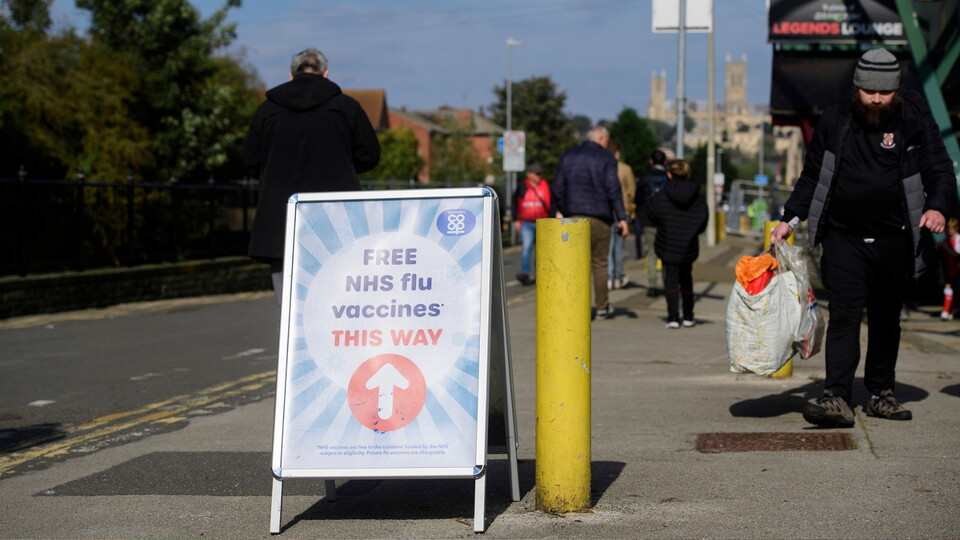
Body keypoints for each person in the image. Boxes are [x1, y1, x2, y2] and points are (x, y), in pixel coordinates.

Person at [770, 48, 958, 428]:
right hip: (843, 237)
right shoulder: (836, 118)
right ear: (857, 87)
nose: (875, 99)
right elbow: (812, 176)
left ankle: (880, 393)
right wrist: (789, 217)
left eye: (884, 93)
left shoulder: (914, 116)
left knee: (887, 319)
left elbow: (939, 168)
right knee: (844, 316)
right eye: (869, 91)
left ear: (896, 90)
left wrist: (938, 207)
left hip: (896, 238)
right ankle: (836, 396)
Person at [243, 48, 381, 304]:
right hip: (338, 217)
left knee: (287, 302)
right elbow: (369, 156)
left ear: (291, 75)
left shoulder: (267, 111)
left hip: (281, 216)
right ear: (326, 74)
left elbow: (251, 162)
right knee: (338, 296)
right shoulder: (346, 107)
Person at [552, 125, 629, 321]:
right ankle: (602, 307)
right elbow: (613, 190)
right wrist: (622, 218)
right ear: (601, 138)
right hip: (600, 218)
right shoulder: (607, 159)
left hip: (572, 218)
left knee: (574, 264)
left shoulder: (568, 156)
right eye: (607, 140)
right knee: (600, 264)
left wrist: (561, 209)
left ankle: (575, 307)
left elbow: (558, 187)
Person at [642, 159, 707, 329]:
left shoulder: (661, 196)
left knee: (670, 280)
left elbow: (652, 216)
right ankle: (688, 315)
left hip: (667, 243)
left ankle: (672, 317)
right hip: (688, 246)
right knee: (686, 279)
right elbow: (703, 220)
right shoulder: (697, 198)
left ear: (669, 174)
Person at [636, 149, 669, 297]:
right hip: (666, 221)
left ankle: (652, 285)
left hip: (648, 220)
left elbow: (638, 199)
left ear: (651, 161)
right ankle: (668, 284)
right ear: (665, 162)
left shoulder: (644, 178)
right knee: (666, 254)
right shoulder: (668, 178)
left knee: (651, 253)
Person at [512, 163, 552, 286]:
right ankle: (525, 273)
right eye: (536, 174)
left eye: (540, 174)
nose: (539, 176)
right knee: (526, 248)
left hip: (543, 223)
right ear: (529, 174)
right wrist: (516, 220)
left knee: (541, 250)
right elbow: (514, 202)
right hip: (527, 223)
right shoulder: (522, 185)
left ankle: (541, 274)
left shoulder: (545, 185)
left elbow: (552, 202)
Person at [607, 140, 636, 290]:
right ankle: (618, 276)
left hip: (605, 211)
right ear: (618, 153)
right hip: (621, 212)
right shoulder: (625, 169)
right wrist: (631, 210)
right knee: (619, 247)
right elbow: (631, 191)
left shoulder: (602, 167)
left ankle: (609, 277)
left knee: (607, 247)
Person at [938, 217, 960, 320]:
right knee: (948, 289)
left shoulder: (958, 239)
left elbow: (957, 254)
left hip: (958, 269)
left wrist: (946, 247)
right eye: (949, 229)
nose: (950, 231)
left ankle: (954, 309)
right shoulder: (945, 240)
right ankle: (946, 311)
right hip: (949, 270)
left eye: (952, 228)